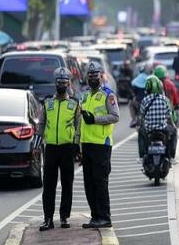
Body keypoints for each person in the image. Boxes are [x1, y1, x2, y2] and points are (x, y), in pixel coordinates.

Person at [38, 67, 81, 232]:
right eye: (59, 82)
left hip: (67, 148)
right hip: (50, 149)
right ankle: (48, 219)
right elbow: (41, 124)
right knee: (48, 185)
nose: (61, 85)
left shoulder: (75, 103)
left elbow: (78, 126)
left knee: (67, 184)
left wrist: (77, 146)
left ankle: (64, 217)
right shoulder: (47, 102)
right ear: (55, 83)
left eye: (64, 82)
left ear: (68, 83)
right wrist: (36, 145)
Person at [80, 61, 120, 229]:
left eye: (95, 75)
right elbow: (80, 121)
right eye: (90, 76)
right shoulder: (85, 95)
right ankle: (95, 216)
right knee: (89, 183)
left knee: (100, 183)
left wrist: (95, 119)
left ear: (100, 76)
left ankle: (104, 217)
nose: (92, 78)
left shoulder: (108, 95)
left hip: (101, 145)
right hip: (86, 144)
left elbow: (115, 116)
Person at [138, 75, 175, 162]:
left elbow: (141, 116)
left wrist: (140, 125)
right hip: (163, 129)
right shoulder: (165, 99)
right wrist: (173, 126)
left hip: (149, 130)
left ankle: (142, 156)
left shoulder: (145, 100)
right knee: (174, 133)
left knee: (140, 132)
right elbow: (169, 116)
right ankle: (172, 156)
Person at [153, 66, 179, 164]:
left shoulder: (152, 85)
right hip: (169, 117)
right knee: (174, 132)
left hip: (152, 120)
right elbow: (177, 102)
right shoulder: (170, 84)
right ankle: (172, 156)